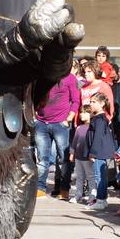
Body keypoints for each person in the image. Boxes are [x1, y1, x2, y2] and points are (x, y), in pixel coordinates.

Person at [35, 69, 80, 198]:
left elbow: (75, 100)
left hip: (61, 123)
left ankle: (64, 188)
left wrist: (69, 118)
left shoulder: (70, 78)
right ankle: (40, 187)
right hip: (41, 123)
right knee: (42, 158)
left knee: (63, 158)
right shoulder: (43, 76)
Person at [86, 92, 116, 206]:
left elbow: (98, 137)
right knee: (101, 175)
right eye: (90, 101)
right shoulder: (99, 118)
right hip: (100, 151)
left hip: (99, 152)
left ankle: (101, 200)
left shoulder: (100, 119)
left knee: (100, 176)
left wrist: (93, 153)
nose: (91, 104)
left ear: (102, 103)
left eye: (94, 102)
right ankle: (102, 199)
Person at [71, 104, 94, 204]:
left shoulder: (93, 128)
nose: (81, 114)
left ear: (91, 114)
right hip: (78, 157)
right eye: (81, 112)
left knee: (90, 177)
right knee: (79, 177)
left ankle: (92, 196)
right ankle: (78, 195)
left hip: (88, 157)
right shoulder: (79, 128)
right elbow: (75, 142)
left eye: (85, 112)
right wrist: (72, 153)